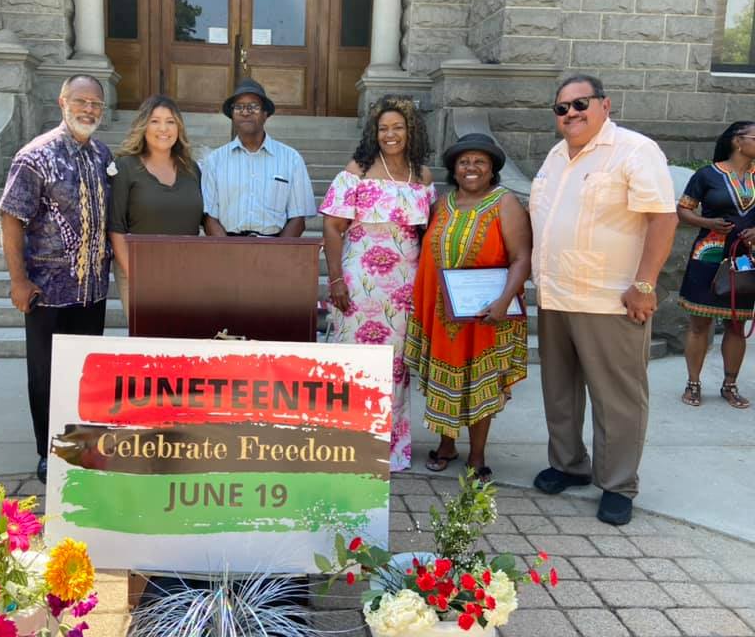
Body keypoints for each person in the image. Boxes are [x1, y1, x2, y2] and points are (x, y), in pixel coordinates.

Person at [529, 74, 678, 525]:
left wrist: (646, 284)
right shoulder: (556, 157)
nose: (571, 113)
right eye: (562, 108)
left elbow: (663, 220)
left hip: (610, 298)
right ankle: (569, 464)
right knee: (559, 390)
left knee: (617, 398)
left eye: (580, 104)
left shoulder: (635, 150)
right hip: (555, 294)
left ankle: (617, 484)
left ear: (605, 105)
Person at [0, 74, 112, 484]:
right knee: (45, 375)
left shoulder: (101, 155)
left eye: (96, 104)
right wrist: (18, 281)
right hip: (47, 292)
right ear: (62, 101)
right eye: (81, 101)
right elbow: (11, 219)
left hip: (91, 291)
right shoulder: (36, 157)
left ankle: (78, 446)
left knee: (83, 375)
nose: (88, 110)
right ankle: (47, 451)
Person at [320, 95, 437, 472]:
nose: (390, 134)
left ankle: (388, 445)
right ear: (374, 133)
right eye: (383, 128)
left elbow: (425, 234)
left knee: (395, 365)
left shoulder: (423, 176)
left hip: (403, 286)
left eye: (398, 127)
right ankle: (343, 441)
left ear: (411, 131)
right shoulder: (358, 169)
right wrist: (336, 278)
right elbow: (333, 226)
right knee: (351, 358)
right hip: (358, 279)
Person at [405, 133, 531, 480]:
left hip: (488, 314)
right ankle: (446, 445)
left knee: (479, 382)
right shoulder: (441, 204)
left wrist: (504, 300)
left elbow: (522, 257)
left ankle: (477, 455)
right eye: (464, 162)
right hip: (443, 312)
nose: (471, 168)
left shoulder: (504, 202)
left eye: (480, 162)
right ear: (453, 170)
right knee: (444, 378)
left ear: (492, 170)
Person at [676, 121, 755, 409]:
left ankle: (730, 385)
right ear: (738, 141)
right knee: (699, 323)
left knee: (737, 323)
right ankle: (693, 383)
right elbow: (683, 209)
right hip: (708, 254)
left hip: (745, 259)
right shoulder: (707, 175)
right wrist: (707, 222)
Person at [108, 95, 204, 312]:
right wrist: (136, 277)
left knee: (181, 339)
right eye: (155, 121)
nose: (164, 128)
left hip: (184, 271)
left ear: (178, 128)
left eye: (170, 121)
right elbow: (116, 228)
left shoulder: (191, 169)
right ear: (143, 126)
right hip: (139, 270)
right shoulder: (125, 167)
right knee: (148, 340)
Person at [201, 78, 315, 237]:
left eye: (253, 107)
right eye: (239, 107)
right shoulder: (215, 161)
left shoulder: (291, 159)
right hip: (228, 247)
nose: (245, 112)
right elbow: (209, 218)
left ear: (265, 114)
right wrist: (226, 252)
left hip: (275, 248)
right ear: (232, 115)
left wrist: (275, 254)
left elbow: (298, 218)